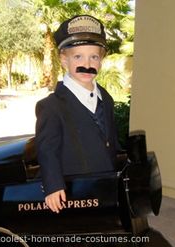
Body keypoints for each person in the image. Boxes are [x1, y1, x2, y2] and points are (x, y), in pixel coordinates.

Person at [35, 14, 120, 214]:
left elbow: (110, 139)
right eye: (78, 56)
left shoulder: (105, 99)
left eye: (94, 57)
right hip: (73, 191)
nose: (87, 63)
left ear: (101, 61)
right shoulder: (52, 106)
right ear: (64, 60)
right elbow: (47, 149)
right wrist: (53, 185)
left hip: (104, 185)